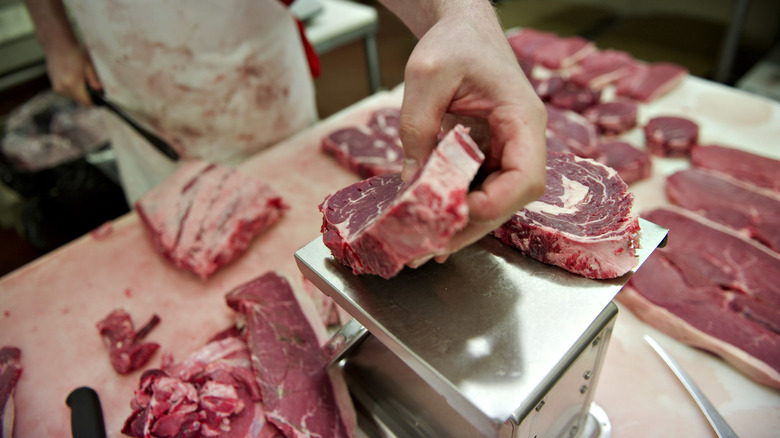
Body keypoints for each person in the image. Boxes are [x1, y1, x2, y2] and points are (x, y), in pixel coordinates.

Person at [23, 0, 546, 260]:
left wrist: (459, 13)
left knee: (296, 233)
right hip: (132, 84)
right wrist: (53, 33)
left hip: (255, 73)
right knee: (177, 237)